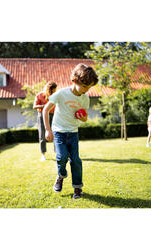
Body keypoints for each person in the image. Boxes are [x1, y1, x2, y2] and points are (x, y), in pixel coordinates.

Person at [43, 63, 98, 199]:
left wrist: (83, 117)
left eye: (89, 87)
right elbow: (45, 110)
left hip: (73, 132)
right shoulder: (61, 94)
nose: (87, 90)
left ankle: (77, 188)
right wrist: (47, 130)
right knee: (61, 157)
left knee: (76, 160)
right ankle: (61, 176)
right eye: (85, 86)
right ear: (74, 80)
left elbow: (84, 118)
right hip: (59, 132)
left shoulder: (85, 98)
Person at [33, 81, 57, 161]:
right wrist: (45, 106)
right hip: (41, 115)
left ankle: (57, 152)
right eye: (52, 90)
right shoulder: (40, 95)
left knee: (56, 134)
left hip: (53, 115)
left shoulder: (55, 95)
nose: (53, 92)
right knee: (42, 135)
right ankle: (43, 154)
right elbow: (34, 106)